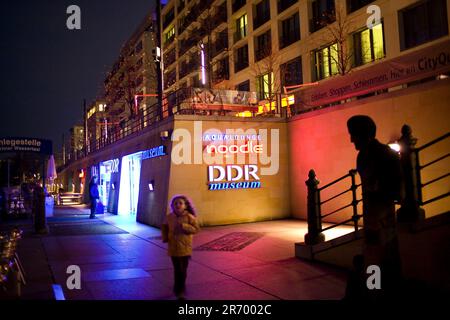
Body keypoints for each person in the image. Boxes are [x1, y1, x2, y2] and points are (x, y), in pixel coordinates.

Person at [347, 115, 403, 299]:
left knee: (374, 257)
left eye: (353, 134)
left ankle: (374, 292)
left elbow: (377, 185)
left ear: (363, 134)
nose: (351, 139)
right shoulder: (380, 154)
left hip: (377, 217)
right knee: (383, 257)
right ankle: (380, 290)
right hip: (381, 217)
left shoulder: (367, 156)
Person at [161, 195, 200, 300]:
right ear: (172, 206)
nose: (178, 205)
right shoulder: (169, 217)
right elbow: (164, 226)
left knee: (182, 270)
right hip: (173, 248)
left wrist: (185, 226)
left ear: (185, 205)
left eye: (180, 203)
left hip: (185, 249)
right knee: (176, 269)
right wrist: (165, 237)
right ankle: (178, 288)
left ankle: (180, 290)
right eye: (175, 203)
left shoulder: (189, 217)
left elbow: (196, 229)